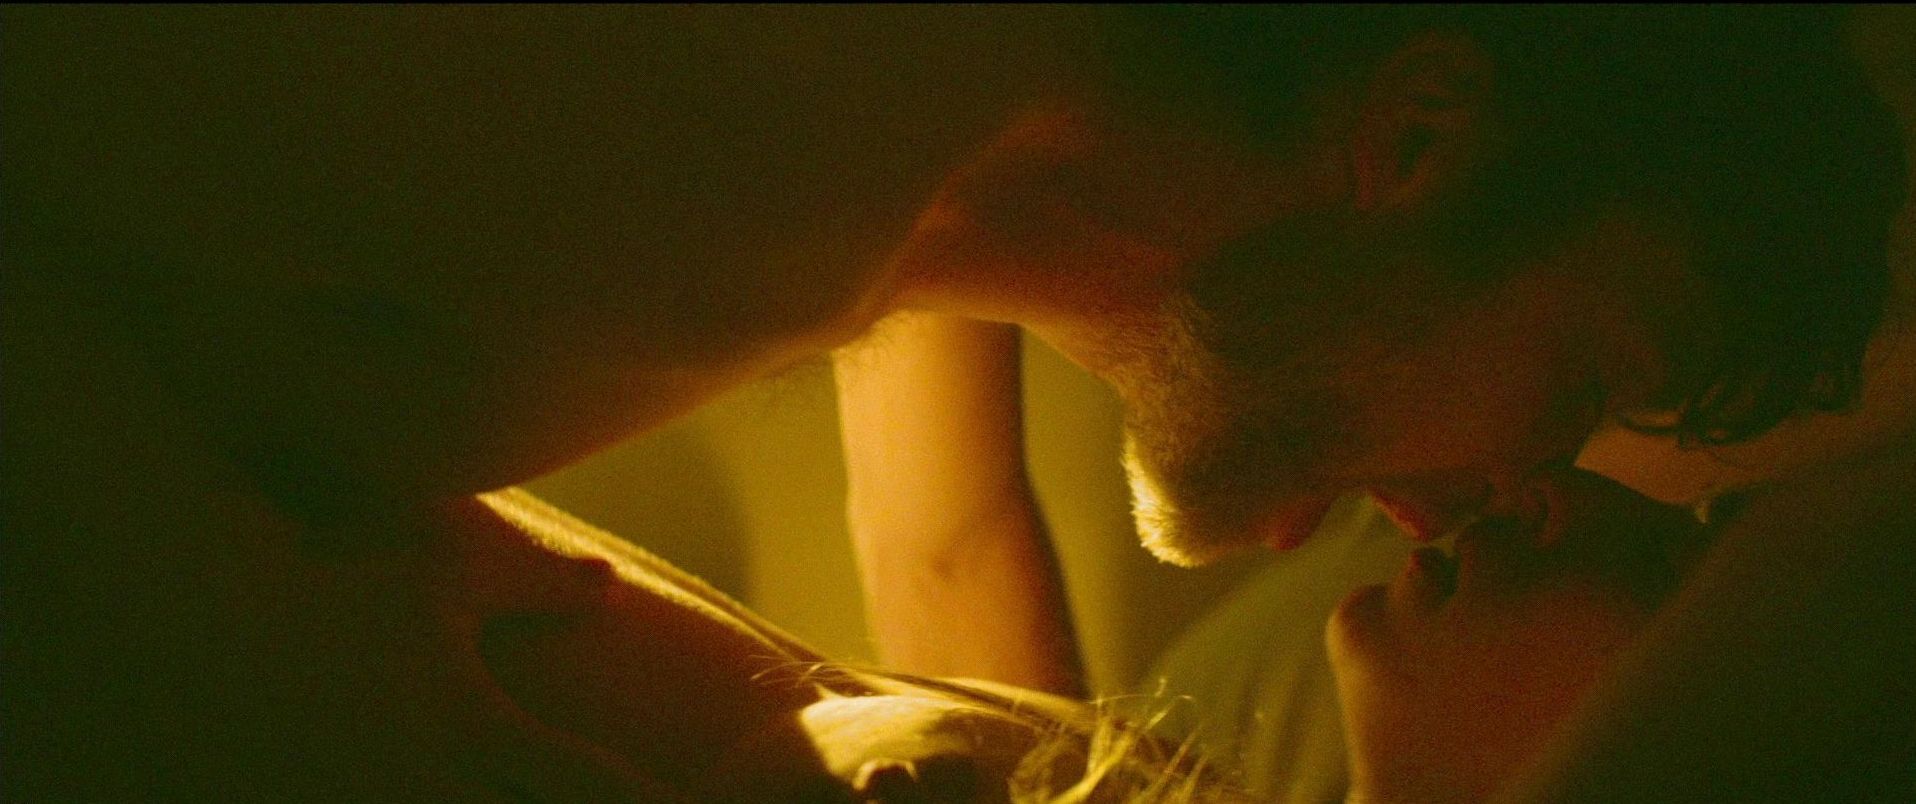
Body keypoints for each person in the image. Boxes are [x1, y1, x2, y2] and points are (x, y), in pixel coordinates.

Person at [5, 5, 1910, 799]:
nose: (1525, 482)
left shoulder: (867, 204)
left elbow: (943, 544)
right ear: (1417, 138)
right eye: (1584, 378)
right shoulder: (733, 135)